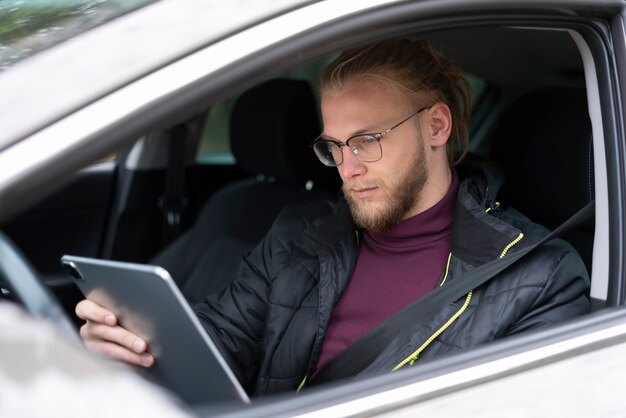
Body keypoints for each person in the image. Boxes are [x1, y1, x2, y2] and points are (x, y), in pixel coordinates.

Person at [76, 38, 590, 396]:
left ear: (435, 126)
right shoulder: (299, 234)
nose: (349, 167)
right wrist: (136, 342)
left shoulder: (539, 276)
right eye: (335, 146)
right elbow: (225, 337)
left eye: (368, 140)